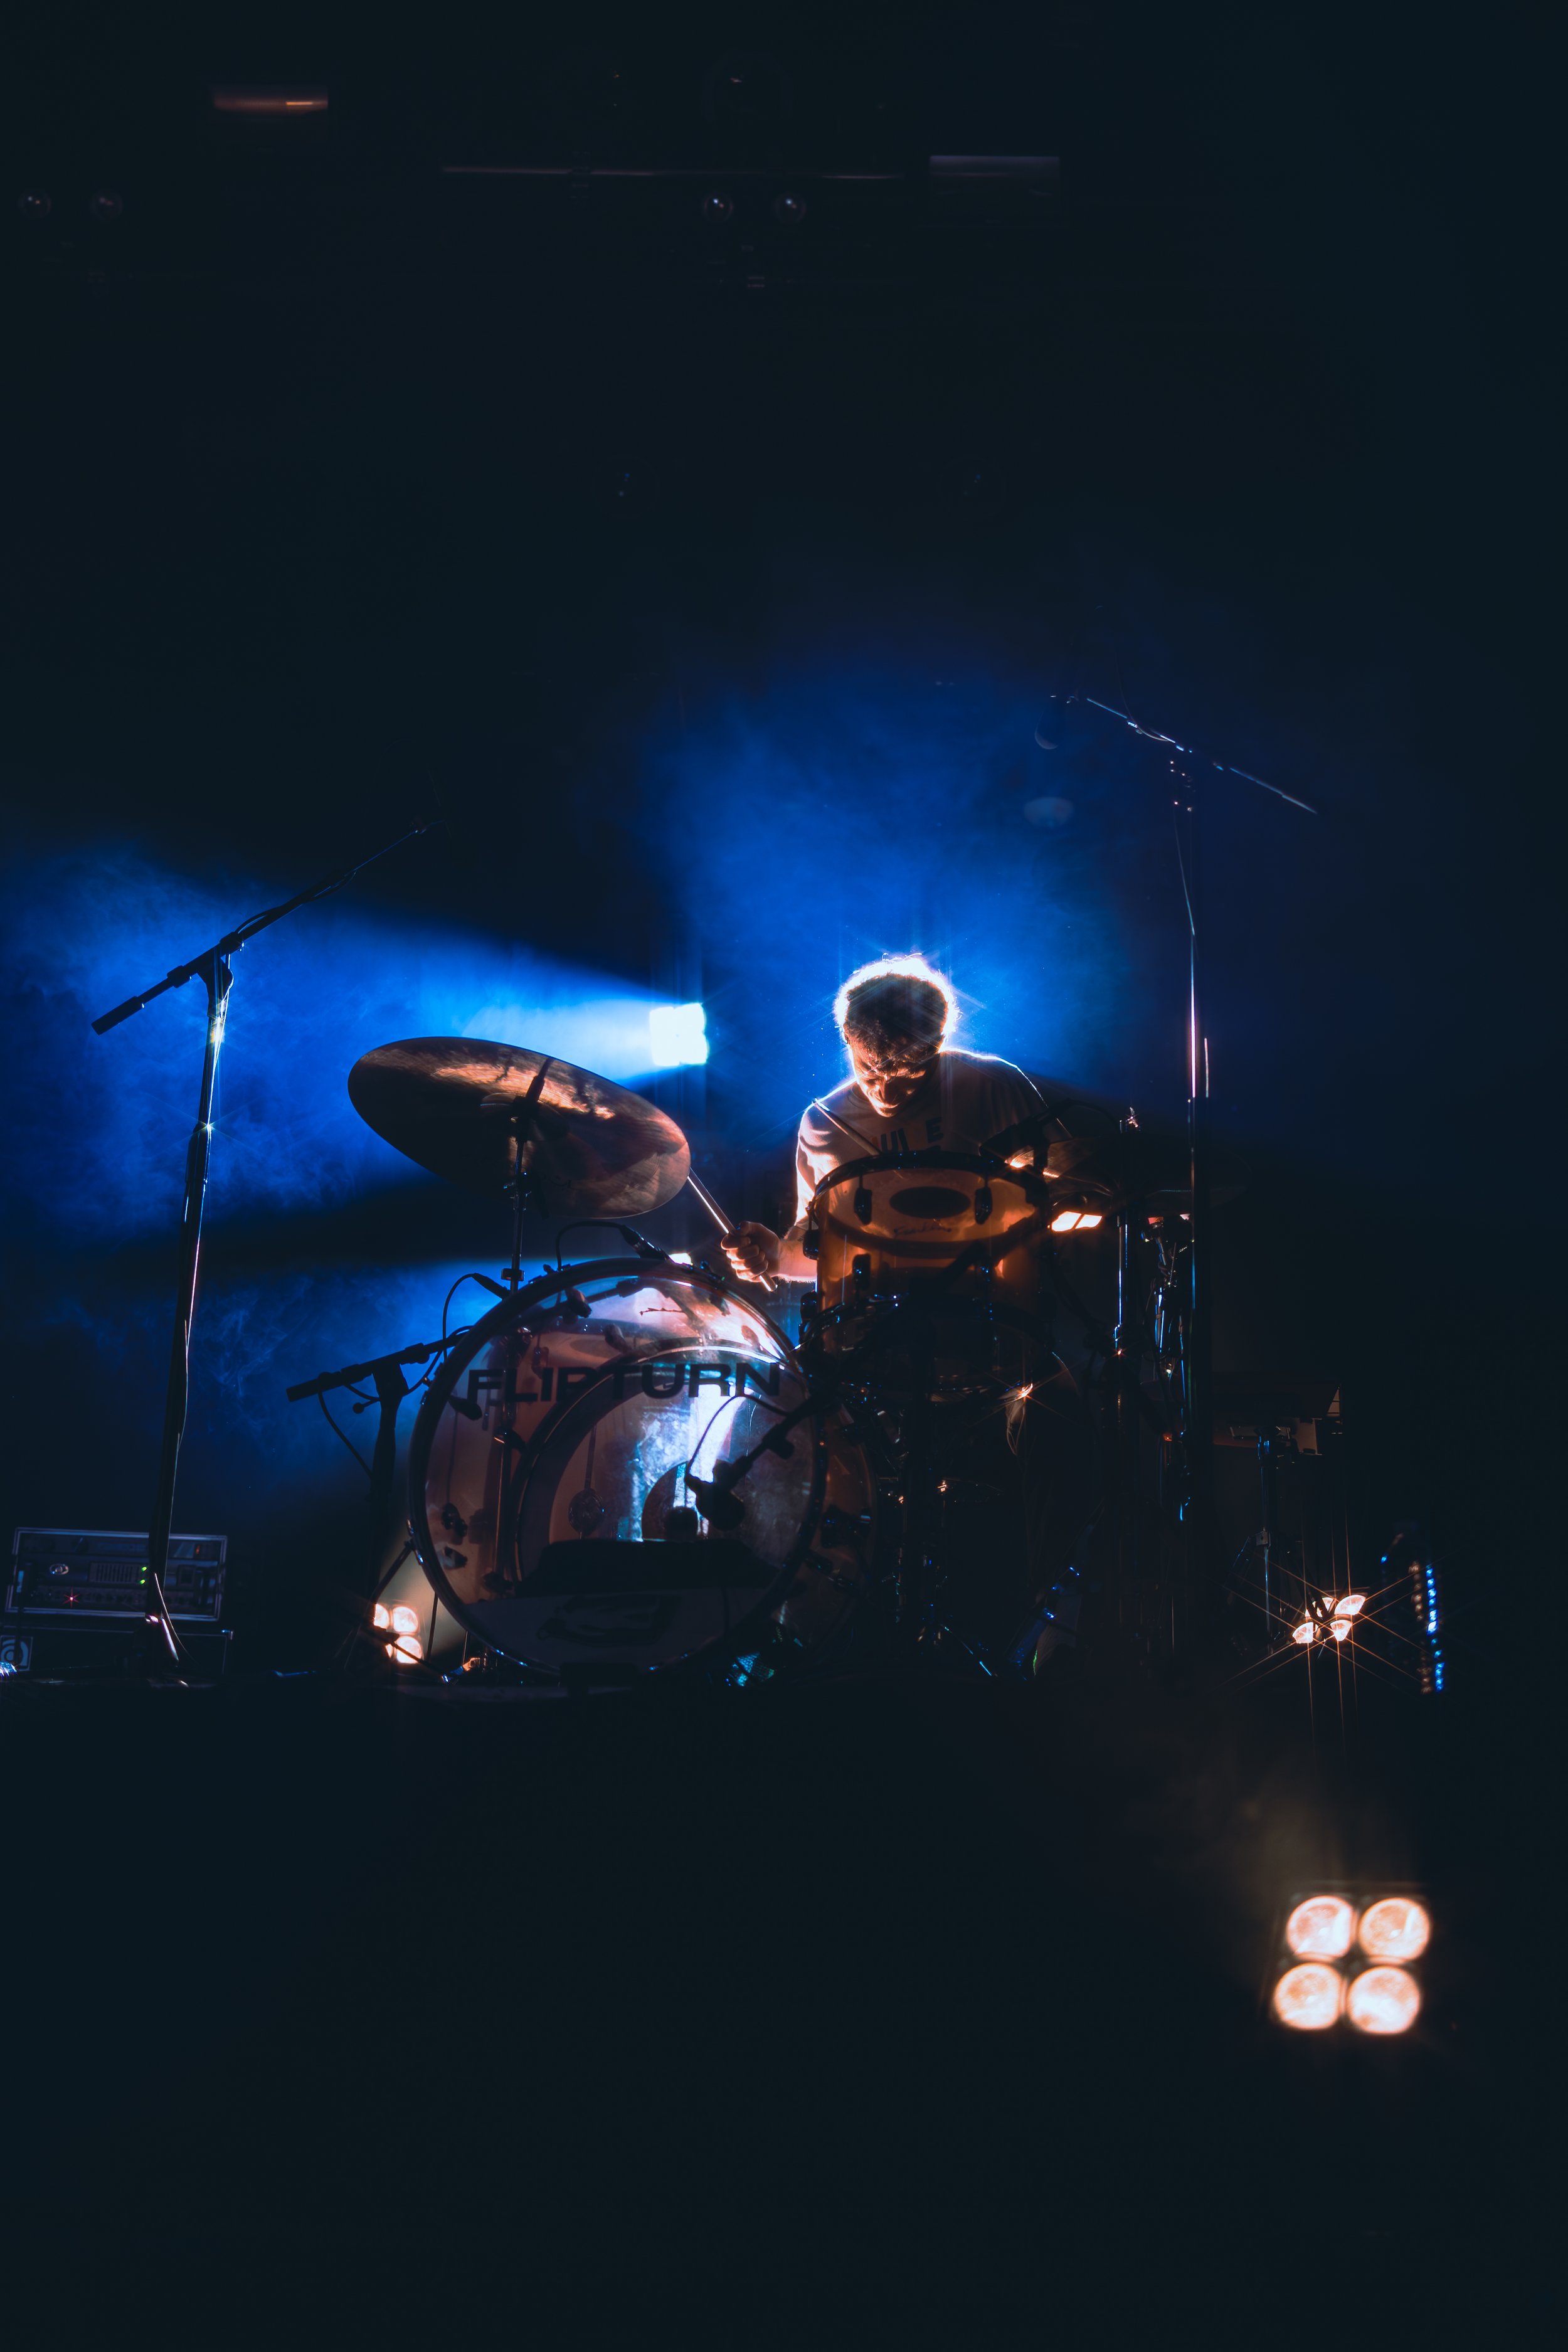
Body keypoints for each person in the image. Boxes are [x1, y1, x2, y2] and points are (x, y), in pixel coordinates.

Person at [723, 955, 1045, 1285]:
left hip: (990, 1300)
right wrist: (778, 1256)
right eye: (872, 1072)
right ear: (847, 1035)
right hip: (878, 1323)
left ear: (939, 1043)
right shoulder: (823, 1125)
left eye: (909, 1075)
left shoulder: (992, 1085)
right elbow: (827, 1248)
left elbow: (1071, 1190)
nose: (887, 1094)